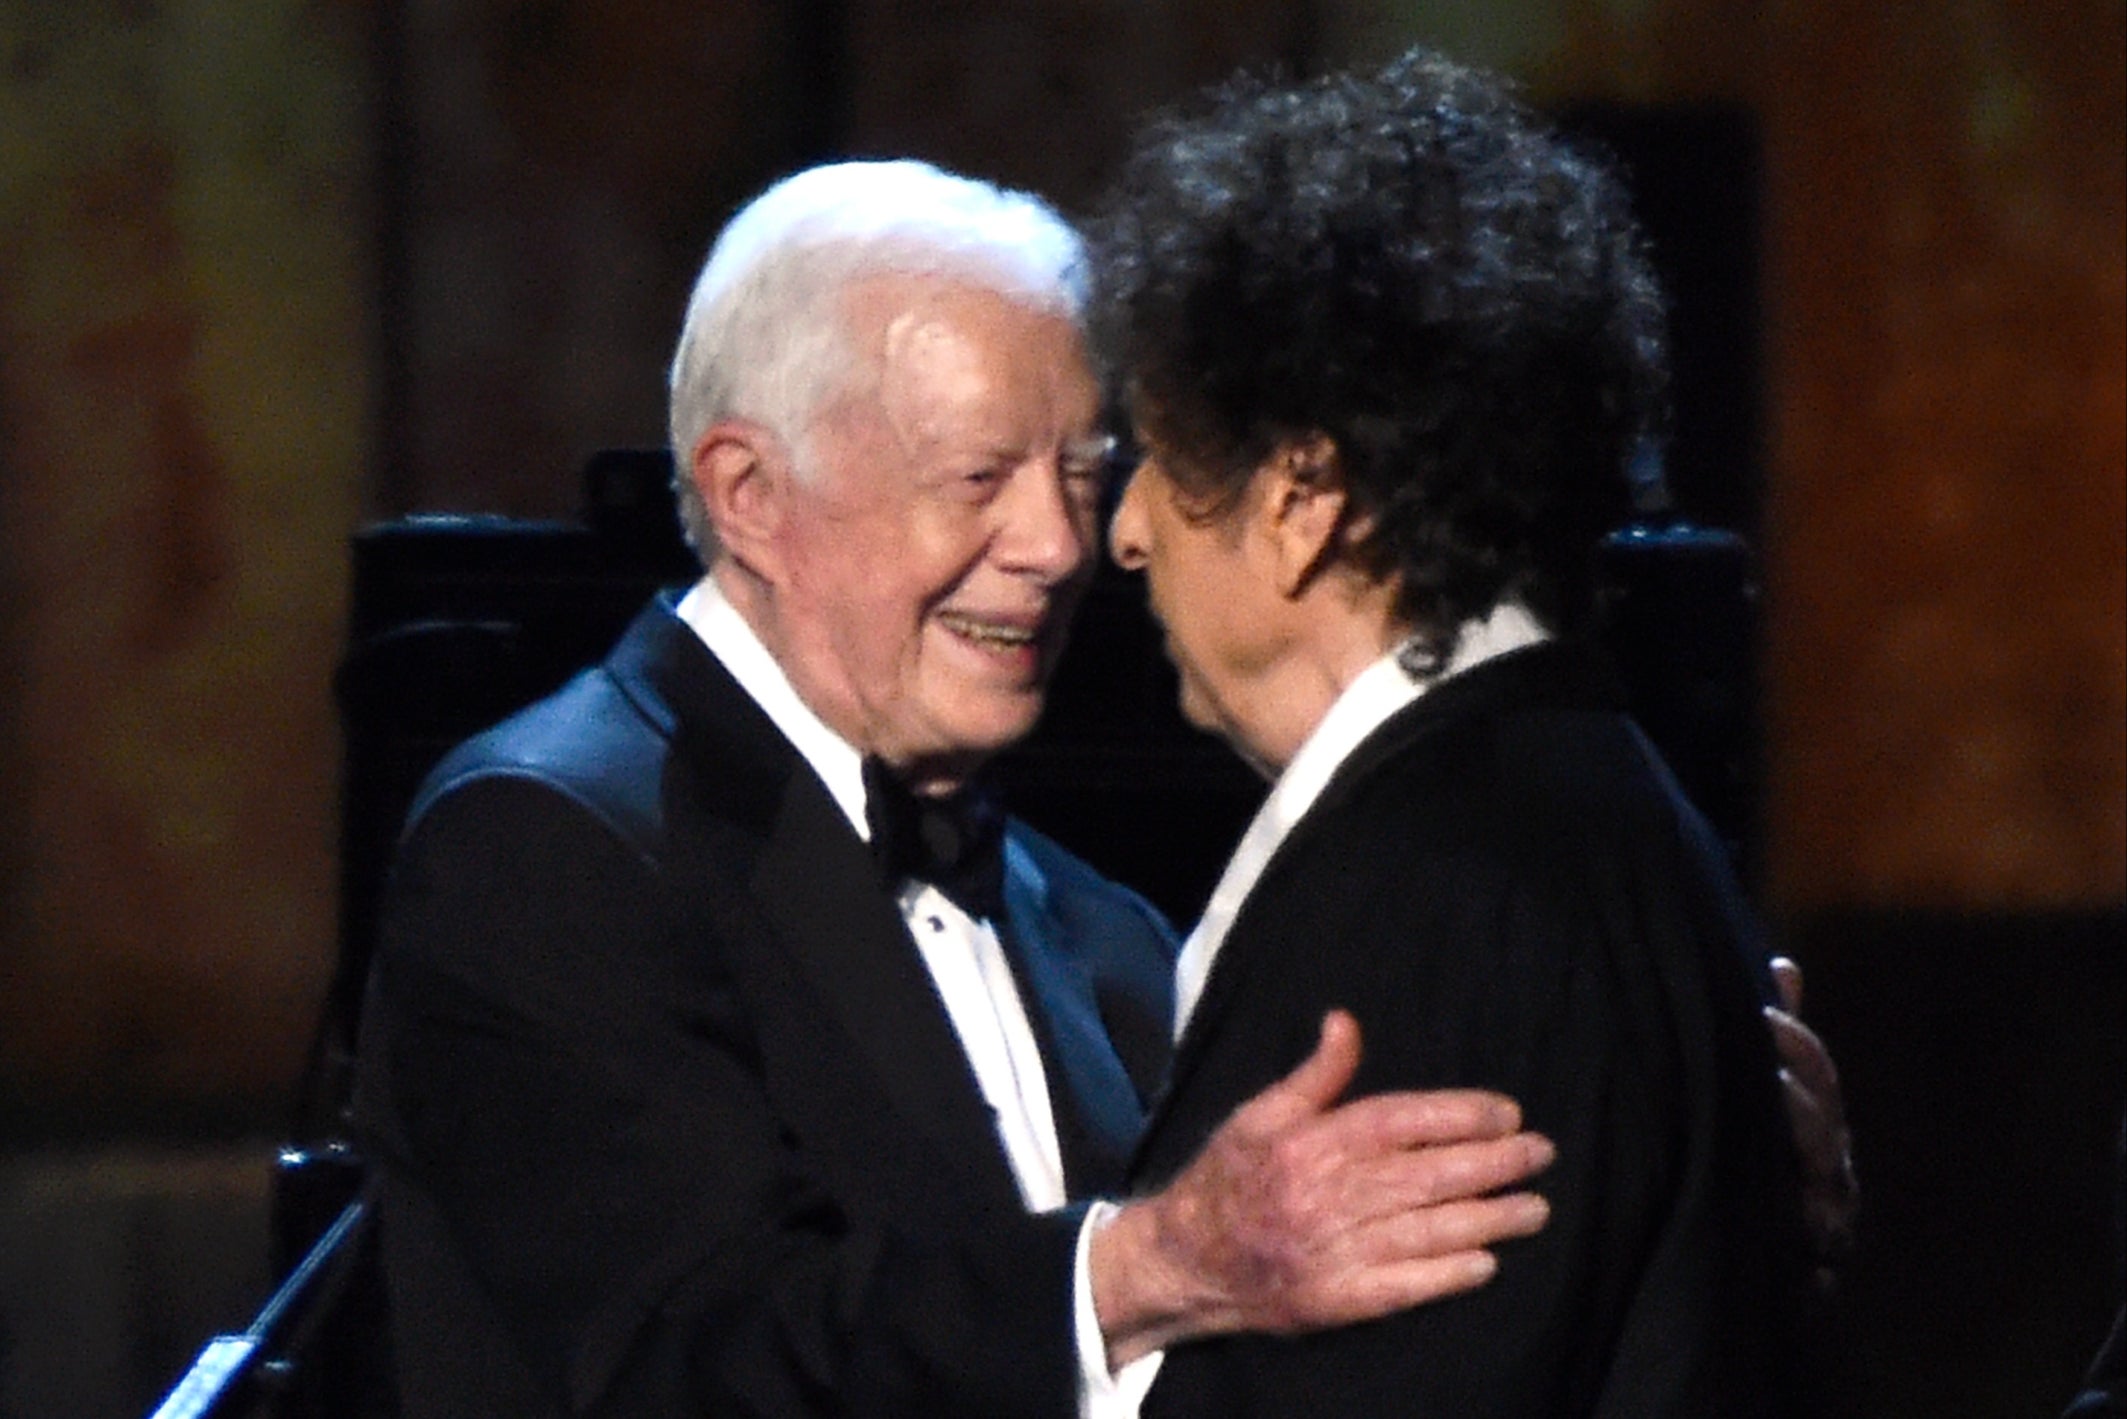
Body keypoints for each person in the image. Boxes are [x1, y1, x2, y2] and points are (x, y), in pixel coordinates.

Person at [352, 157, 1562, 1419]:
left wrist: (1702, 1152)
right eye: (981, 476)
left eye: (1082, 474)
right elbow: (691, 1359)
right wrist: (1145, 1271)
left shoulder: (1091, 924)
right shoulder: (542, 846)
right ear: (750, 495)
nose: (1057, 546)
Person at [1088, 48, 1827, 1415]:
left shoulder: (1426, 896)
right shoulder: (1589, 790)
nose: (1122, 530)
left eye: (1156, 453)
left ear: (1304, 496)